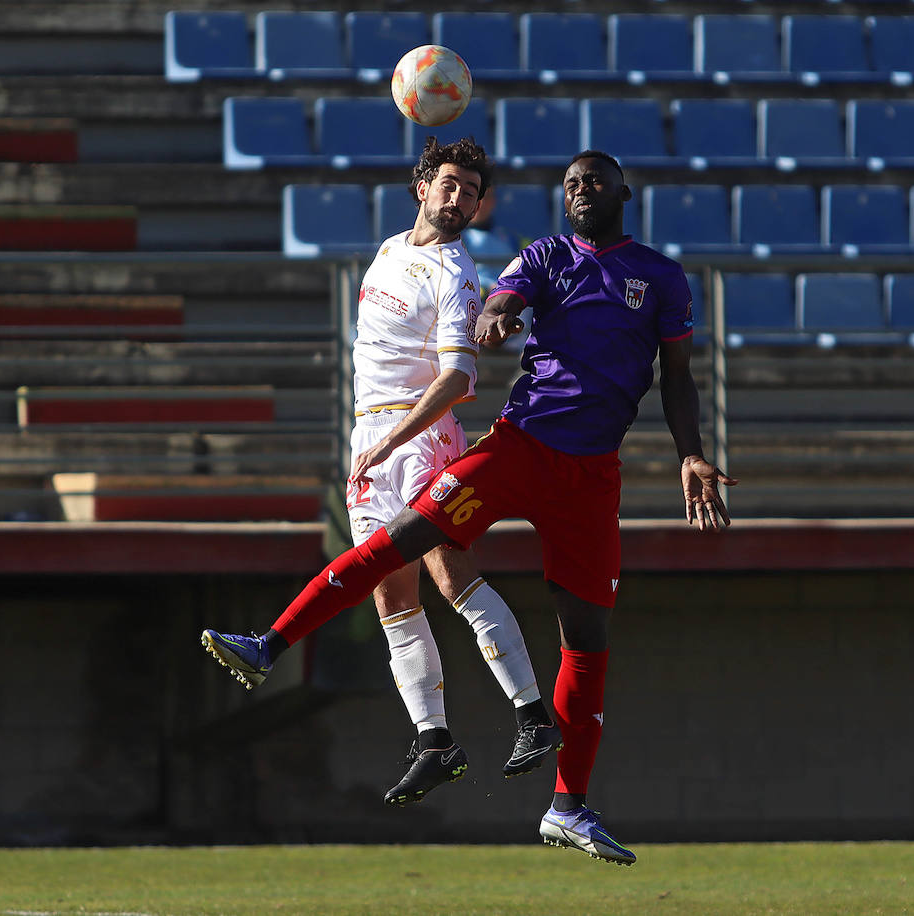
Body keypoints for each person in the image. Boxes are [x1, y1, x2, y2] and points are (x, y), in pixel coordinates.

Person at [201, 151, 737, 866]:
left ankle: (567, 808)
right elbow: (500, 300)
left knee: (587, 638)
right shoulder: (546, 254)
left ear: (622, 193)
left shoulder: (660, 278)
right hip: (518, 449)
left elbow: (678, 378)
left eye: (593, 180)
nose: (580, 189)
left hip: (590, 478)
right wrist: (496, 317)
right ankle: (272, 644)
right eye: (570, 181)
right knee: (402, 542)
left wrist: (690, 453)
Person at [209, 136, 559, 807]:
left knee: (451, 574)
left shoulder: (454, 273)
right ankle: (435, 742)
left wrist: (397, 436)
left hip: (421, 438)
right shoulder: (392, 251)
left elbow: (458, 379)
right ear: (421, 187)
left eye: (471, 191)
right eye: (449, 185)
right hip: (371, 437)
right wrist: (375, 439)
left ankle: (533, 716)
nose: (459, 198)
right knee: (394, 597)